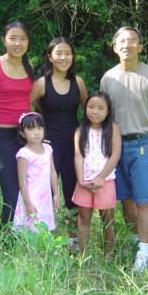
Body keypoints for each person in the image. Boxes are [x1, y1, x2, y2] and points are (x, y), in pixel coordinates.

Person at [100, 26, 148, 272]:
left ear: (140, 47)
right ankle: (134, 241)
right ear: (114, 47)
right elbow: (101, 114)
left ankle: (144, 253)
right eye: (121, 41)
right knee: (125, 199)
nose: (127, 45)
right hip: (115, 145)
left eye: (132, 41)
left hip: (144, 144)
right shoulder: (108, 78)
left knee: (144, 201)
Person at [31, 37, 88, 247]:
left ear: (72, 57)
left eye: (68, 53)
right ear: (50, 57)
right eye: (59, 53)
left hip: (73, 145)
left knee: (73, 192)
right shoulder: (41, 83)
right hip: (48, 146)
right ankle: (44, 235)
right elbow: (32, 107)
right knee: (45, 190)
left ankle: (74, 238)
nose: (64, 57)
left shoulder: (78, 82)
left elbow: (89, 110)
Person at [0, 21, 35, 228]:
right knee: (11, 190)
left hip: (28, 137)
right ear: (4, 40)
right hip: (3, 137)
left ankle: (27, 235)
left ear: (28, 42)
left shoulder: (29, 67)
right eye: (13, 38)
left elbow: (34, 101)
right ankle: (7, 240)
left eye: (22, 39)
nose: (18, 43)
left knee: (28, 188)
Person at [72, 91, 121, 259]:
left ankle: (108, 254)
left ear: (108, 111)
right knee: (83, 217)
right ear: (85, 108)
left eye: (101, 108)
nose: (95, 111)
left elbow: (115, 155)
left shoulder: (113, 129)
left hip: (105, 181)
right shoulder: (80, 130)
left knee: (107, 219)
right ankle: (83, 254)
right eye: (91, 107)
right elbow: (78, 156)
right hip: (84, 182)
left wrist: (101, 177)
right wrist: (80, 179)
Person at [13, 112, 59, 231]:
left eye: (40, 128)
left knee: (45, 231)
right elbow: (22, 181)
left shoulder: (48, 149)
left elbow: (53, 171)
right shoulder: (24, 154)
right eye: (31, 129)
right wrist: (28, 203)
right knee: (31, 232)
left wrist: (56, 193)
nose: (37, 132)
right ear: (22, 133)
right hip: (31, 197)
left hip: (45, 197)